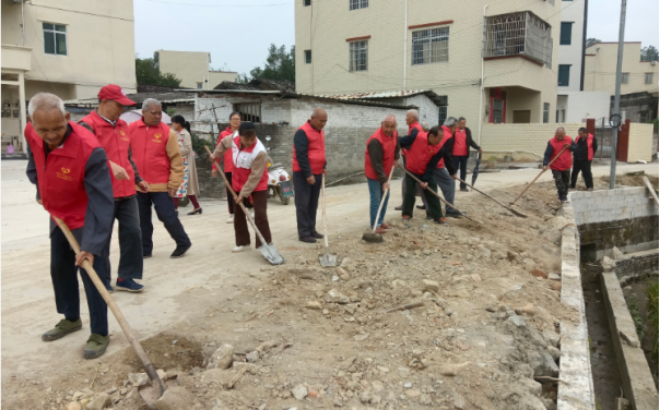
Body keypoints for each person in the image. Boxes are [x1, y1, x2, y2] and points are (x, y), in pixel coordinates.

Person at [25, 93, 114, 360]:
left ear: (67, 117)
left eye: (58, 127)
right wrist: (41, 189)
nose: (51, 135)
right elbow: (35, 162)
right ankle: (71, 318)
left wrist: (92, 245)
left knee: (92, 272)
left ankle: (99, 332)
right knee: (60, 267)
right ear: (32, 122)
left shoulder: (90, 150)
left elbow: (102, 201)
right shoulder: (31, 132)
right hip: (58, 214)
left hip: (86, 216)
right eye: (44, 130)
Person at [79, 85, 146, 293]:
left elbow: (127, 157)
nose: (122, 110)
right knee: (102, 239)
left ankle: (126, 277)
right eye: (119, 105)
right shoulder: (86, 126)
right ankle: (102, 280)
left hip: (127, 191)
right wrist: (108, 164)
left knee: (133, 233)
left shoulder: (123, 125)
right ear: (104, 102)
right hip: (101, 194)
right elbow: (84, 157)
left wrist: (138, 179)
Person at [129, 98, 192, 258]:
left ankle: (183, 242)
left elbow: (176, 160)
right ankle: (145, 249)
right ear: (143, 112)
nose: (158, 116)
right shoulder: (131, 129)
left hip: (161, 184)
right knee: (142, 219)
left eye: (159, 113)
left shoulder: (167, 132)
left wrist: (174, 183)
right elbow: (125, 155)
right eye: (153, 113)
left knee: (167, 215)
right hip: (138, 184)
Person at [210, 122, 274, 253]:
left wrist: (244, 194)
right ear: (239, 135)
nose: (249, 142)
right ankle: (243, 242)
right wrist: (216, 154)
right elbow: (223, 143)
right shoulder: (234, 138)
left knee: (260, 215)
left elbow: (255, 176)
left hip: (258, 184)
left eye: (252, 138)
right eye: (246, 139)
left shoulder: (260, 152)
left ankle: (265, 244)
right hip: (238, 181)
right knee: (238, 214)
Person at [399, 126, 456, 224]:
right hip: (411, 170)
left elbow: (432, 165)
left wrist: (425, 179)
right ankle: (407, 214)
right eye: (439, 139)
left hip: (425, 171)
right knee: (409, 192)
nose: (440, 141)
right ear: (432, 136)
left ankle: (438, 216)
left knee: (432, 192)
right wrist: (396, 155)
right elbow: (401, 141)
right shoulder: (417, 137)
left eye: (441, 139)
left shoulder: (440, 148)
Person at [293, 108, 328, 244]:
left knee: (313, 203)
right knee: (303, 204)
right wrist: (308, 173)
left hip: (317, 173)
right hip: (303, 174)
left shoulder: (320, 132)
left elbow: (321, 150)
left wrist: (324, 165)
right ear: (312, 118)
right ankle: (303, 233)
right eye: (321, 121)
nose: (323, 124)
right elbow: (301, 155)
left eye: (325, 121)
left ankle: (311, 229)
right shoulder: (302, 132)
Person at [365, 115, 400, 234]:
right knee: (376, 198)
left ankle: (380, 221)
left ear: (395, 126)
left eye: (392, 127)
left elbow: (397, 145)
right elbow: (376, 164)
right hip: (374, 173)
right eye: (387, 126)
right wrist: (384, 181)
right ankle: (375, 225)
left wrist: (396, 158)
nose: (389, 129)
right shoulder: (375, 140)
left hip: (385, 171)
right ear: (382, 124)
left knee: (385, 196)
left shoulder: (394, 134)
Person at [213, 112, 244, 224]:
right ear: (230, 120)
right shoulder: (224, 134)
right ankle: (232, 213)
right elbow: (218, 151)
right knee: (230, 191)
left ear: (241, 121)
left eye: (238, 119)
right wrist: (214, 167)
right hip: (229, 168)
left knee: (244, 189)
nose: (235, 121)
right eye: (233, 119)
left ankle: (248, 209)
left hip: (242, 167)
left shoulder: (244, 133)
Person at [396, 110, 427, 212]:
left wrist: (400, 140)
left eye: (407, 116)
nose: (405, 118)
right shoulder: (414, 127)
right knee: (417, 181)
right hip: (411, 158)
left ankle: (406, 205)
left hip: (411, 159)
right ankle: (427, 203)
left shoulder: (415, 129)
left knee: (408, 181)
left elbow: (410, 144)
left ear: (412, 118)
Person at [171, 115, 202, 215]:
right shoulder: (176, 134)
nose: (172, 125)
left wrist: (176, 151)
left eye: (173, 123)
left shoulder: (186, 134)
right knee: (187, 188)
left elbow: (188, 149)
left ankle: (174, 209)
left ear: (178, 123)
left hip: (184, 165)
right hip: (178, 164)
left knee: (177, 185)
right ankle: (197, 207)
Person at [435, 117, 460, 218]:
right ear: (449, 126)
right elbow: (447, 156)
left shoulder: (437, 129)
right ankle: (450, 209)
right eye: (455, 128)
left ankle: (429, 210)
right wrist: (452, 172)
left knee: (430, 186)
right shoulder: (448, 136)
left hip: (427, 162)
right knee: (450, 183)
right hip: (436, 165)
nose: (456, 130)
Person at [543, 127, 574, 203]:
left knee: (566, 182)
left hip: (566, 165)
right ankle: (563, 196)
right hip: (556, 166)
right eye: (559, 135)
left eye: (562, 136)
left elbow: (576, 148)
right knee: (559, 180)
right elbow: (547, 154)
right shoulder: (551, 142)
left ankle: (563, 195)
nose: (560, 137)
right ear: (555, 134)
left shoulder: (569, 140)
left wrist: (570, 147)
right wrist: (545, 164)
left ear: (565, 134)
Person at [452, 117, 482, 192]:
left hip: (464, 155)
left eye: (464, 124)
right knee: (453, 171)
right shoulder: (454, 130)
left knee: (463, 171)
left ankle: (463, 186)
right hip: (455, 155)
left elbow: (470, 141)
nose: (463, 125)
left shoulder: (467, 130)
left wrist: (478, 147)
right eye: (461, 123)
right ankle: (451, 186)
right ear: (458, 123)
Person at [571, 127, 597, 192]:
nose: (579, 135)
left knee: (587, 173)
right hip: (577, 158)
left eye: (581, 134)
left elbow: (595, 147)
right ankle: (572, 185)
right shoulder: (578, 138)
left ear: (586, 133)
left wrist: (590, 155)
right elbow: (575, 146)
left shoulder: (592, 138)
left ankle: (590, 186)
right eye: (579, 134)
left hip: (586, 159)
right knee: (574, 172)